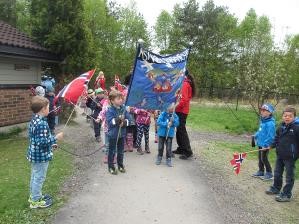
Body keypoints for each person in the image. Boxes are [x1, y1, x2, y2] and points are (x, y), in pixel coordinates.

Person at [27, 96, 63, 209]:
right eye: (48, 107)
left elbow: (36, 140)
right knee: (39, 177)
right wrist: (55, 138)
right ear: (43, 109)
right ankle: (35, 201)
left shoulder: (34, 119)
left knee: (35, 176)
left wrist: (51, 145)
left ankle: (33, 196)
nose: (50, 109)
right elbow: (42, 142)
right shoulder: (41, 124)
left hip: (34, 154)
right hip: (40, 156)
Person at [266, 107, 299, 202]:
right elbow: (277, 138)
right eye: (285, 116)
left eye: (290, 116)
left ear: (294, 117)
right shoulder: (281, 127)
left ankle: (286, 194)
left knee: (289, 176)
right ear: (282, 116)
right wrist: (272, 145)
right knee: (277, 173)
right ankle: (276, 188)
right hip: (280, 155)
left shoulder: (296, 128)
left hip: (290, 157)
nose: (287, 117)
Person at [172, 70, 196, 160]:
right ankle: (181, 148)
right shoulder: (182, 83)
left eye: (178, 73)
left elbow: (184, 100)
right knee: (178, 129)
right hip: (179, 110)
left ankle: (187, 151)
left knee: (181, 130)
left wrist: (175, 107)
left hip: (182, 111)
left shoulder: (185, 84)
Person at [106, 90, 130, 175]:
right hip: (113, 135)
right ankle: (111, 167)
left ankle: (120, 165)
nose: (121, 100)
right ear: (112, 101)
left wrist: (124, 123)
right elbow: (110, 122)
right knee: (112, 151)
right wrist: (118, 120)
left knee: (121, 151)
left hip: (122, 134)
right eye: (118, 99)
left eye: (121, 98)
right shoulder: (110, 110)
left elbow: (129, 120)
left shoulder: (124, 109)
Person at [252, 103, 276, 180]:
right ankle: (261, 171)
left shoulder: (270, 124)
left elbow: (271, 136)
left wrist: (266, 145)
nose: (261, 112)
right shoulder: (263, 122)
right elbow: (260, 131)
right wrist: (255, 135)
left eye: (264, 110)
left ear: (269, 112)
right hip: (260, 143)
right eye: (261, 110)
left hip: (265, 145)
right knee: (260, 158)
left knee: (264, 158)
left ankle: (269, 173)